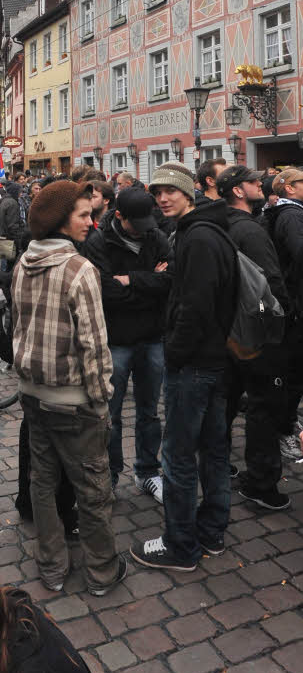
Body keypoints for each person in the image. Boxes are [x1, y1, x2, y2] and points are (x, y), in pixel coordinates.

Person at [12, 180, 125, 595]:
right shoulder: (80, 270)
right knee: (93, 490)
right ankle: (101, 571)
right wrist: (100, 400)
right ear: (61, 221)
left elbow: (18, 329)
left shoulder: (25, 262)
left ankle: (52, 567)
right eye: (82, 215)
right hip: (75, 403)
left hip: (33, 395)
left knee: (43, 483)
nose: (91, 222)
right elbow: (94, 345)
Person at [131, 162, 236, 572]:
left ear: (190, 193)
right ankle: (211, 531)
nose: (162, 198)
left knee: (177, 456)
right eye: (157, 192)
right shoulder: (209, 230)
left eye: (170, 191)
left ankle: (180, 545)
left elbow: (195, 305)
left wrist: (174, 351)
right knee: (213, 450)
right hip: (212, 360)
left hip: (194, 364)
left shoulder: (198, 238)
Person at [83, 187, 170, 501]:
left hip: (152, 338)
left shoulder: (154, 235)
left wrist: (131, 280)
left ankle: (147, 472)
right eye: (138, 222)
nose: (145, 228)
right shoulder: (98, 242)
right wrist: (150, 280)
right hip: (117, 340)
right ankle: (111, 476)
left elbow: (171, 279)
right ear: (119, 216)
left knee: (150, 412)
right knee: (112, 416)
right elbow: (105, 291)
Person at [217, 165, 290, 511]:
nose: (259, 185)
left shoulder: (220, 223)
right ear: (237, 191)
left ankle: (218, 465)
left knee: (228, 400)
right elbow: (267, 288)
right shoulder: (250, 230)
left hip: (227, 328)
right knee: (263, 404)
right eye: (251, 182)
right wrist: (270, 324)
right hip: (253, 331)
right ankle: (261, 483)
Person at [265, 167, 303, 464]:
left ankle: (286, 423)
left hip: (293, 301)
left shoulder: (290, 213)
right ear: (289, 188)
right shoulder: (291, 216)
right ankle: (284, 428)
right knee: (293, 371)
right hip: (294, 303)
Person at [0, 180, 24, 269]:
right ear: (15, 192)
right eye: (20, 192)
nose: (21, 194)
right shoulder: (12, 203)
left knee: (4, 265)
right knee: (9, 267)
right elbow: (13, 225)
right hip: (9, 240)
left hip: (2, 236)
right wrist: (19, 243)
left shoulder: (3, 200)